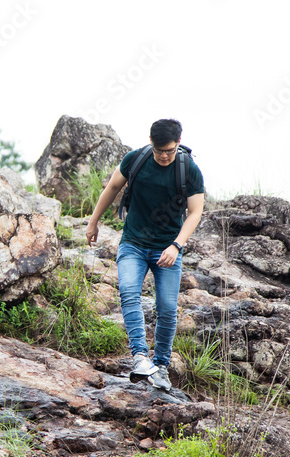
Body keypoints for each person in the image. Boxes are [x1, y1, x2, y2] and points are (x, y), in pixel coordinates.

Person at [85, 119, 205, 392]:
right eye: (159, 150)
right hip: (133, 244)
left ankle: (161, 366)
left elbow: (195, 212)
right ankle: (140, 357)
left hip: (167, 248)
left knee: (166, 308)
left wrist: (176, 246)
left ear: (178, 144)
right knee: (128, 292)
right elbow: (112, 188)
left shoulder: (189, 169)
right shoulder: (135, 159)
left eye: (170, 151)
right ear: (150, 141)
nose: (164, 156)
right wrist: (93, 223)